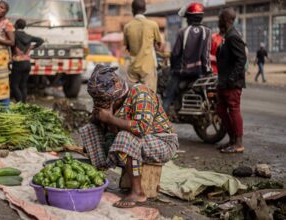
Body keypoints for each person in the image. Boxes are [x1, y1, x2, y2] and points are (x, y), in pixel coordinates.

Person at [80, 64, 179, 208]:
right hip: (138, 142)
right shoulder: (107, 99)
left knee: (126, 135)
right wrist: (97, 117)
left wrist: (110, 119)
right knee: (90, 129)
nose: (103, 104)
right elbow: (101, 126)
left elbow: (141, 128)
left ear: (117, 95)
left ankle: (138, 192)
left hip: (162, 142)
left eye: (107, 101)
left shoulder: (140, 93)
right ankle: (98, 177)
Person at [162, 2, 212, 112]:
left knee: (167, 95)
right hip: (200, 73)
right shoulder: (207, 31)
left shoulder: (182, 32)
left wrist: (173, 69)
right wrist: (207, 70)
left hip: (183, 73)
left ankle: (160, 120)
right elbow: (206, 54)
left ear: (188, 18)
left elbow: (175, 54)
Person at [216, 7, 246, 153]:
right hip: (224, 82)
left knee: (234, 110)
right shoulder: (227, 35)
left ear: (226, 19)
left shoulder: (233, 36)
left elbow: (241, 60)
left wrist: (231, 78)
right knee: (221, 110)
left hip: (231, 84)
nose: (218, 20)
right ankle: (232, 140)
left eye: (220, 17)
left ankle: (238, 143)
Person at [123, 0, 162, 93]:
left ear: (132, 10)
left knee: (132, 96)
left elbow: (128, 47)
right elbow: (158, 45)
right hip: (148, 68)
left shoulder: (127, 27)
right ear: (145, 9)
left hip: (133, 68)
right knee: (150, 96)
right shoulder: (153, 25)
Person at [11, 19, 43, 103]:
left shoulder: (13, 34)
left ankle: (20, 103)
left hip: (18, 63)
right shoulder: (28, 36)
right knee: (23, 85)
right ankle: (24, 104)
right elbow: (41, 40)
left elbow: (10, 44)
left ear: (16, 25)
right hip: (27, 63)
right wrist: (31, 47)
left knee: (14, 85)